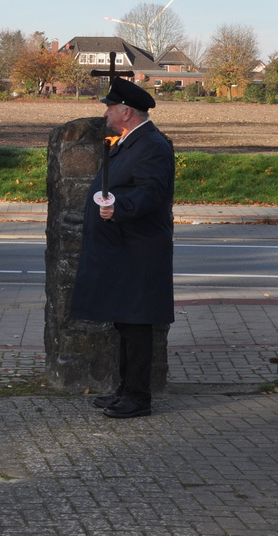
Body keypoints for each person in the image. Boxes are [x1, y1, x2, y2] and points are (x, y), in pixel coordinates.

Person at [69, 77, 175, 419]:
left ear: (126, 112)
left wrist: (120, 207)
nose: (106, 113)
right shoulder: (131, 141)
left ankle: (138, 398)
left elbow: (151, 191)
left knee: (137, 324)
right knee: (125, 323)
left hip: (138, 250)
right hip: (123, 248)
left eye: (110, 107)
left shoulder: (151, 145)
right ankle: (125, 390)